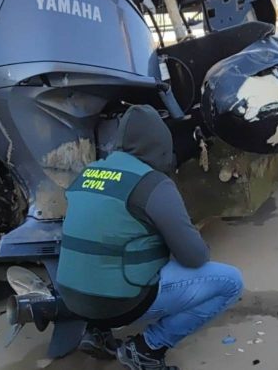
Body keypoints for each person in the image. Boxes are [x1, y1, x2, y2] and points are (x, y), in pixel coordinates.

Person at [56, 105, 244, 370]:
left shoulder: (88, 173)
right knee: (230, 282)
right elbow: (194, 256)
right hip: (121, 303)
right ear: (160, 142)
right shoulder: (152, 183)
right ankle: (148, 348)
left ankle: (96, 332)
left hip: (73, 299)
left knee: (109, 251)